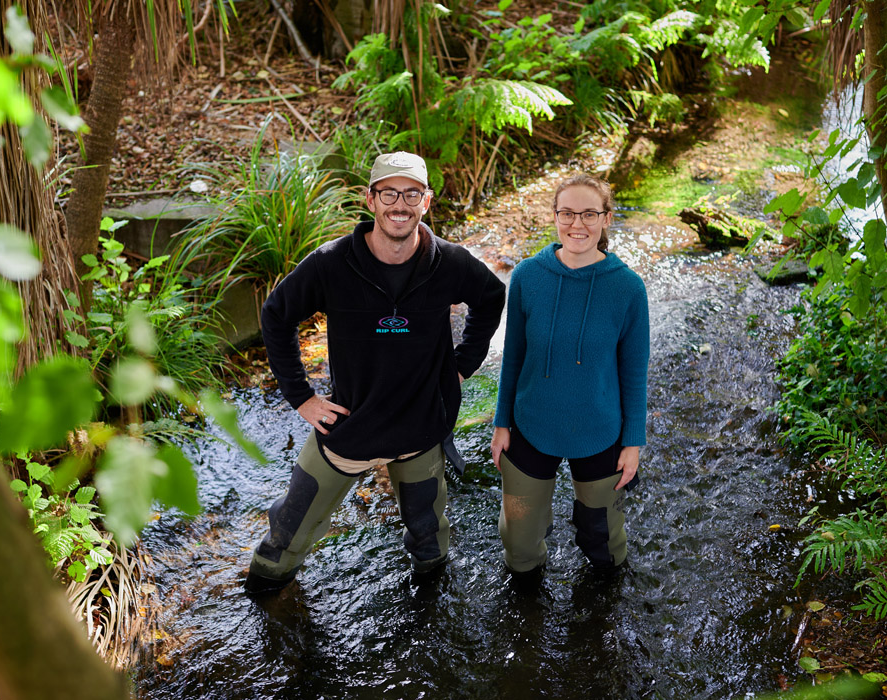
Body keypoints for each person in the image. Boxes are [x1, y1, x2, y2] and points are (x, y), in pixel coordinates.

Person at [245, 151, 506, 594]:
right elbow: (276, 316)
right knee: (285, 537)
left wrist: (463, 364)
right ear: (370, 199)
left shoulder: (450, 261)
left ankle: (428, 609)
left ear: (426, 201)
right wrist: (301, 397)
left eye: (411, 193)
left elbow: (492, 297)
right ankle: (266, 595)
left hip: (422, 428)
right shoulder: (331, 263)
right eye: (389, 193)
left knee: (430, 541)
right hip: (349, 427)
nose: (399, 204)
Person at [490, 173, 649, 574]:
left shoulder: (628, 288)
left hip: (599, 429)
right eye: (567, 213)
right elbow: (514, 354)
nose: (577, 224)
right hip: (530, 424)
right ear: (555, 217)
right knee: (520, 544)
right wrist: (501, 422)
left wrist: (633, 441)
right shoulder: (527, 276)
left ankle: (603, 616)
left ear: (606, 219)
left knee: (605, 545)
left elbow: (633, 372)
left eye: (589, 214)